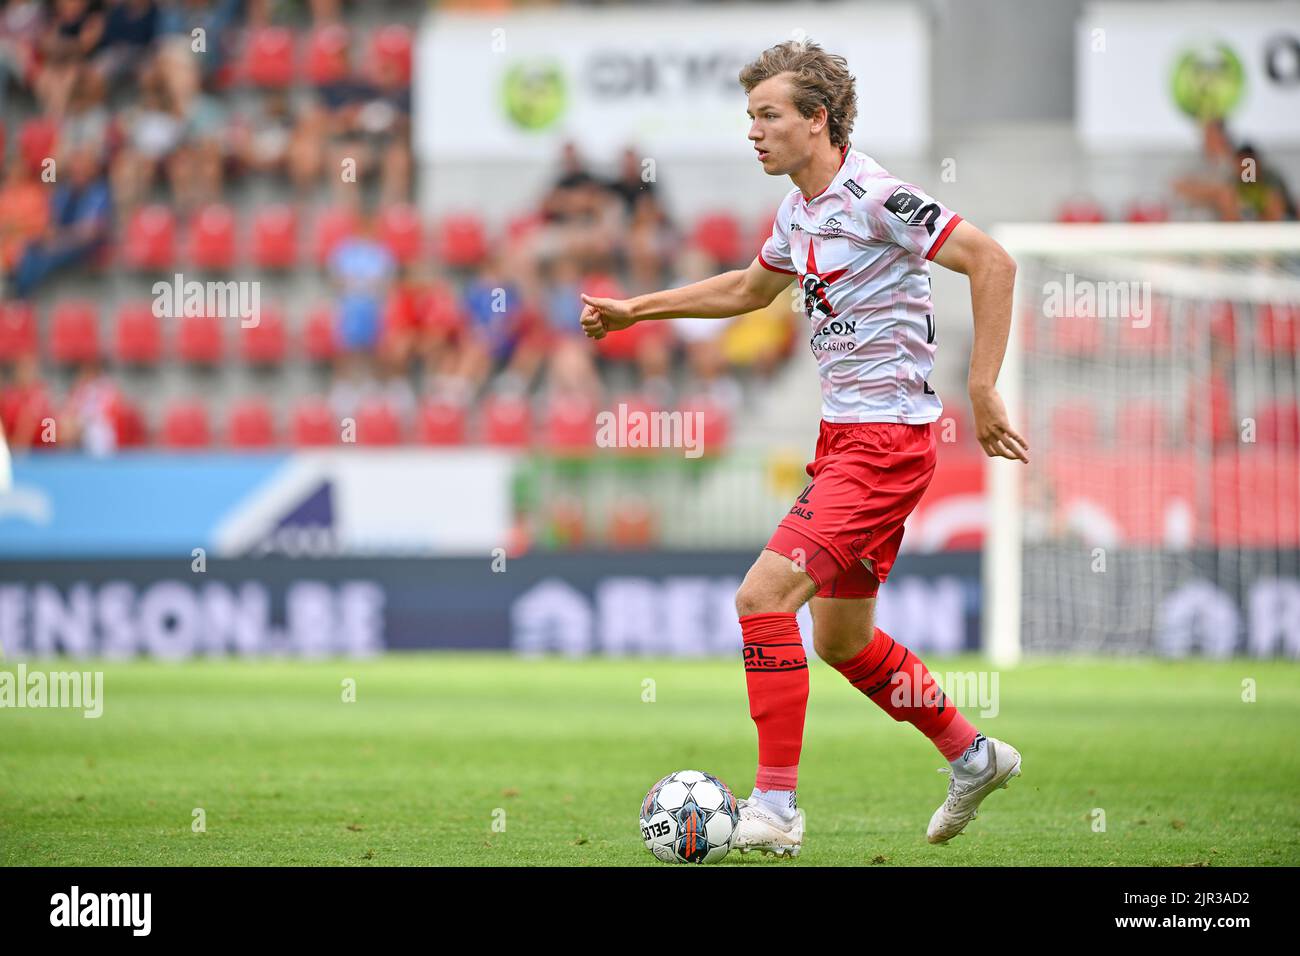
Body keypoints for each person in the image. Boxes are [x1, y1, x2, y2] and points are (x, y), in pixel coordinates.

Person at [580, 40, 1029, 855]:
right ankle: (972, 753)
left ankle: (776, 807)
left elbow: (991, 261)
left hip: (886, 441)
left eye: (769, 115)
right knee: (842, 642)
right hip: (844, 439)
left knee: (761, 599)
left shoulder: (875, 195)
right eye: (750, 116)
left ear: (818, 120)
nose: (754, 132)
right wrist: (636, 311)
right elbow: (750, 289)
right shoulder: (798, 210)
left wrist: (984, 384)